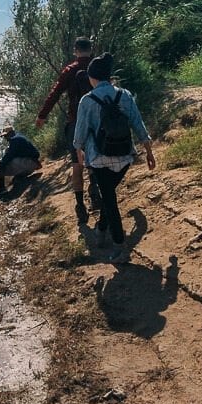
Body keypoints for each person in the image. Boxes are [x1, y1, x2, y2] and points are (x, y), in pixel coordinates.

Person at [73, 52, 156, 264]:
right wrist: (148, 151)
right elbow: (138, 124)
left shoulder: (87, 100)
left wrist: (78, 152)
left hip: (99, 158)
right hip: (124, 157)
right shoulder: (125, 95)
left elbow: (80, 132)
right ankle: (101, 228)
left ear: (92, 77)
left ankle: (120, 246)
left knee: (109, 199)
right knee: (109, 194)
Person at [35, 36, 100, 227]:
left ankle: (80, 206)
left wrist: (42, 115)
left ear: (75, 50)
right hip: (97, 122)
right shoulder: (97, 68)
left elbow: (55, 92)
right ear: (91, 49)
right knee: (96, 160)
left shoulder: (70, 70)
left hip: (75, 122)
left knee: (77, 164)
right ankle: (95, 189)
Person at [0, 125, 41, 195]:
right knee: (6, 158)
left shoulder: (15, 140)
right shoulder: (18, 136)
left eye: (6, 136)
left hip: (31, 163)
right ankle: (21, 175)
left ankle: (2, 188)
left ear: (11, 133)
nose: (5, 138)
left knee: (1, 166)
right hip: (32, 162)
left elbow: (9, 156)